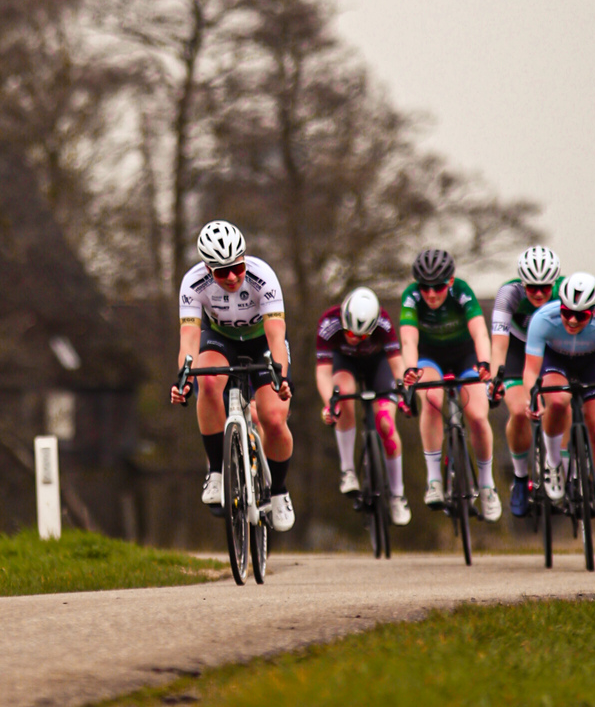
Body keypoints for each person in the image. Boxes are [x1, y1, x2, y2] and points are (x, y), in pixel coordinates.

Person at [171, 219, 296, 532]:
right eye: (221, 271)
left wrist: (279, 376)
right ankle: (216, 471)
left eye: (236, 267)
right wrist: (183, 377)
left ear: (244, 258)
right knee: (207, 380)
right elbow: (188, 339)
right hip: (220, 339)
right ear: (207, 268)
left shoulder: (262, 276)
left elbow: (276, 334)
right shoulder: (193, 283)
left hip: (261, 343)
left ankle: (279, 491)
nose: (231, 277)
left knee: (274, 419)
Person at [519, 269, 595, 541]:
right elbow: (530, 371)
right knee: (557, 401)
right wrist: (532, 397)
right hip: (556, 360)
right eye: (566, 312)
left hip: (593, 363)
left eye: (580, 316)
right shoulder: (543, 318)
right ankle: (554, 463)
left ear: (593, 312)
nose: (570, 320)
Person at [395, 246, 500, 521]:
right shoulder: (411, 297)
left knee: (477, 414)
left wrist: (485, 363)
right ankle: (434, 481)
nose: (431, 294)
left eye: (438, 287)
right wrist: (410, 369)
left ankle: (487, 485)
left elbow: (479, 332)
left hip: (465, 354)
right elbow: (408, 340)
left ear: (450, 282)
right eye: (425, 287)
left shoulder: (462, 291)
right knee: (431, 400)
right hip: (430, 356)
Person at [314, 283, 412, 525]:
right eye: (350, 333)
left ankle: (398, 496)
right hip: (344, 364)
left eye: (362, 336)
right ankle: (348, 470)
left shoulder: (384, 324)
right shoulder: (329, 323)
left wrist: (404, 396)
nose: (355, 339)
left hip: (378, 365)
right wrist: (330, 405)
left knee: (386, 423)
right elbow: (324, 373)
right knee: (344, 395)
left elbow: (398, 366)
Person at [487, 242, 562, 518]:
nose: (539, 293)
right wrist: (495, 378)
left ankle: (561, 465)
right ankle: (520, 479)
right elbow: (498, 345)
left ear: (555, 282)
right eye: (532, 287)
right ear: (522, 282)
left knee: (559, 403)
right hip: (519, 353)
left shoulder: (566, 293)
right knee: (519, 412)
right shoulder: (508, 294)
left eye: (546, 287)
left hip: (554, 352)